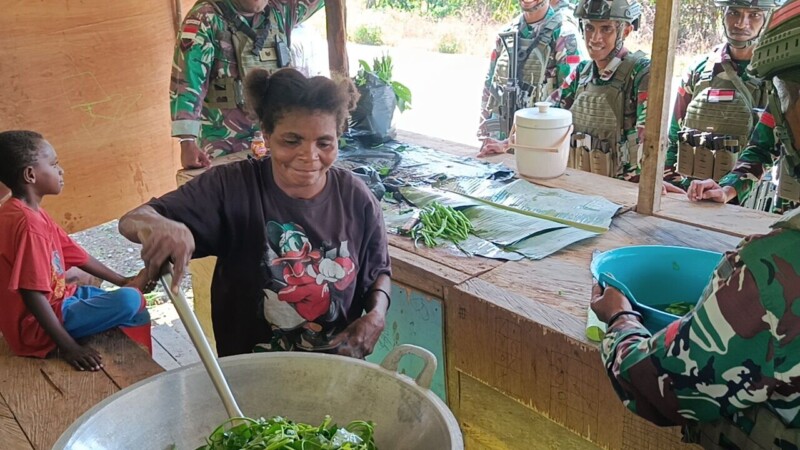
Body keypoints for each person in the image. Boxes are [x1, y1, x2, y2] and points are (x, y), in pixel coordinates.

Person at [591, 2, 800, 446]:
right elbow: (668, 136)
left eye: (787, 99)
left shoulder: (775, 269)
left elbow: (657, 385)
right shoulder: (700, 71)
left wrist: (620, 320)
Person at [120, 68, 392, 359]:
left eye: (324, 143)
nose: (310, 155)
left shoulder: (356, 198)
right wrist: (160, 226)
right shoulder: (231, 187)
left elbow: (378, 272)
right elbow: (132, 221)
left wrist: (376, 313)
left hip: (337, 373)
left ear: (338, 138)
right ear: (267, 134)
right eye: (292, 141)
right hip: (249, 376)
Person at [0, 131, 153, 371]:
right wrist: (70, 347)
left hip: (62, 299)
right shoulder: (29, 226)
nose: (61, 171)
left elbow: (74, 253)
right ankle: (142, 372)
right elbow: (32, 295)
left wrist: (123, 280)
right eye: (53, 164)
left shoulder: (25, 211)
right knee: (131, 300)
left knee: (133, 303)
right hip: (34, 328)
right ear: (30, 175)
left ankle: (143, 363)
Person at [172, 0, 323, 169]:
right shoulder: (205, 18)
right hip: (225, 145)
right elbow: (187, 79)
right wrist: (187, 141)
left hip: (278, 140)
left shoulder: (281, 10)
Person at [666, 1, 782, 194]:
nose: (741, 23)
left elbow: (770, 150)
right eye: (734, 13)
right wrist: (671, 185)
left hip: (747, 199)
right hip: (693, 194)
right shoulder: (700, 70)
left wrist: (730, 189)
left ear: (767, 20)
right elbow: (674, 138)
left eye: (754, 15)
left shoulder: (778, 75)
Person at [477, 0, 584, 155]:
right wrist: (484, 131)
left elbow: (569, 100)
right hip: (498, 144)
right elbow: (489, 87)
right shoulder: (506, 33)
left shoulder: (564, 35)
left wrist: (517, 139)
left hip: (538, 147)